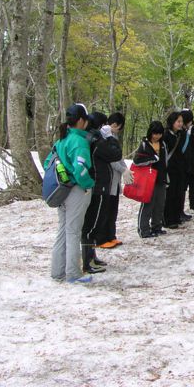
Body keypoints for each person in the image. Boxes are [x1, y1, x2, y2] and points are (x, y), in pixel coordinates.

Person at [46, 103, 95, 284]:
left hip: (61, 191)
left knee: (62, 231)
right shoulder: (79, 141)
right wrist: (89, 183)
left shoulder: (61, 140)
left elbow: (47, 164)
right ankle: (73, 273)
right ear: (81, 120)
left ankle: (58, 271)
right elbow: (80, 168)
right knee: (73, 231)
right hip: (76, 191)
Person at [80, 112, 122, 274]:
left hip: (100, 185)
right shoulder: (96, 140)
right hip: (98, 186)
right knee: (91, 225)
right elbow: (115, 154)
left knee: (95, 222)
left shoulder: (94, 138)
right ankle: (88, 261)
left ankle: (92, 256)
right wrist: (110, 137)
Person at [99, 112, 133, 248]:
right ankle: (102, 237)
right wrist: (122, 169)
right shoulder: (104, 136)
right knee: (105, 209)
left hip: (115, 180)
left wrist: (126, 169)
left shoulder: (114, 137)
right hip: (107, 179)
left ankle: (111, 235)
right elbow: (111, 159)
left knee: (113, 209)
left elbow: (118, 157)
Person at [133, 121, 168, 238]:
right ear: (150, 133)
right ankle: (144, 230)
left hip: (161, 178)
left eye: (159, 134)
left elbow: (165, 161)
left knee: (160, 204)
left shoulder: (163, 144)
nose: (157, 136)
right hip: (148, 179)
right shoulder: (144, 145)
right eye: (155, 134)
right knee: (148, 204)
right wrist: (152, 159)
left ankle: (157, 227)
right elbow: (136, 161)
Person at [163, 111, 189, 228]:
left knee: (178, 193)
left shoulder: (180, 135)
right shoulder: (165, 135)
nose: (180, 124)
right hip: (169, 169)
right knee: (170, 195)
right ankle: (168, 219)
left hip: (180, 169)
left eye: (181, 121)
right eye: (178, 121)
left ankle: (176, 216)